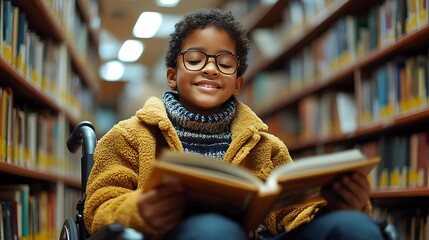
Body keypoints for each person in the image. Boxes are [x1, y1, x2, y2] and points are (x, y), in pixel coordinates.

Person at [84, 8, 384, 240]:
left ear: (238, 83)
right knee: (213, 230)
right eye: (195, 59)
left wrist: (341, 204)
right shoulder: (129, 136)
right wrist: (139, 211)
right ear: (172, 75)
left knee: (353, 226)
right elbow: (97, 210)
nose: (211, 69)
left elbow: (292, 216)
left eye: (225, 64)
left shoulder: (266, 147)